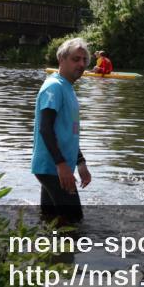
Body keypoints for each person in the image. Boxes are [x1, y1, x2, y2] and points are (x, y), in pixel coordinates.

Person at [32, 37, 93, 223]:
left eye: (84, 60)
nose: (81, 64)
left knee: (50, 220)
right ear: (61, 60)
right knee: (74, 220)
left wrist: (80, 162)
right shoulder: (54, 87)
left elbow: (68, 132)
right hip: (52, 167)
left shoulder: (67, 87)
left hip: (56, 167)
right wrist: (61, 165)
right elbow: (45, 128)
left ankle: (45, 250)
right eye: (76, 59)